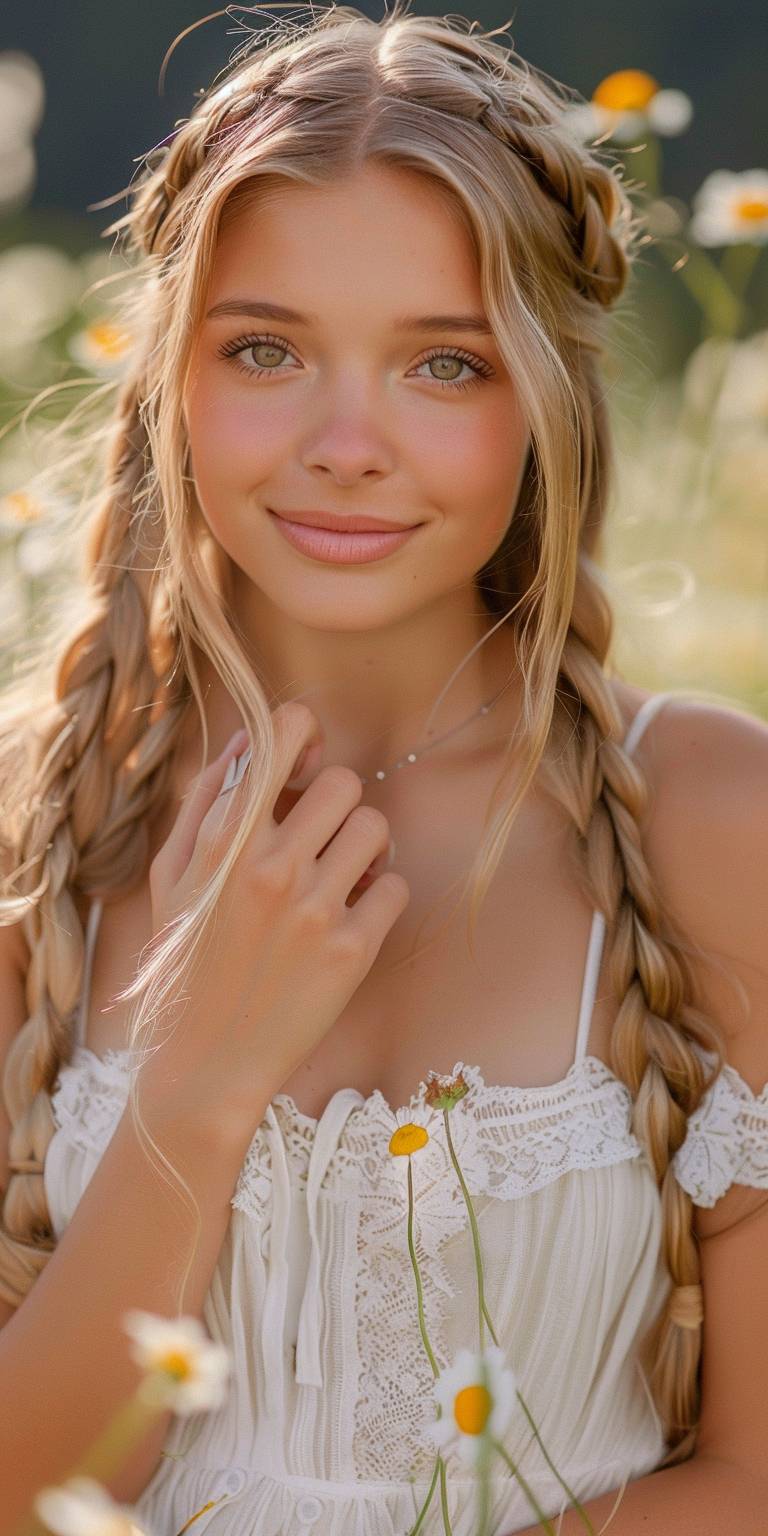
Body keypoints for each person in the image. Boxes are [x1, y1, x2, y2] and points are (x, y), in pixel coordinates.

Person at [0, 5, 766, 1533]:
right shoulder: (34, 822)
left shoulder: (711, 817)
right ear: (172, 379)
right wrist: (202, 1078)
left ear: (547, 396)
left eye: (444, 365)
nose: (348, 443)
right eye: (267, 349)